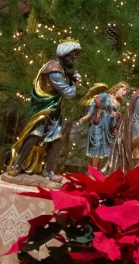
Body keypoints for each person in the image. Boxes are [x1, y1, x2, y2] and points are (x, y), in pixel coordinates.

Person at [5, 40, 82, 182]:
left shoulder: (59, 68)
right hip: (43, 110)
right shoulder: (54, 71)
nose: (75, 59)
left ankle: (49, 171)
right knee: (35, 135)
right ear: (65, 55)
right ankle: (17, 165)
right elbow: (69, 94)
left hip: (53, 111)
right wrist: (74, 83)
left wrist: (69, 78)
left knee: (55, 139)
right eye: (74, 56)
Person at [78, 82, 129, 170]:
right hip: (98, 123)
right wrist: (88, 115)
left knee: (102, 147)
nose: (125, 93)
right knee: (96, 145)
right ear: (118, 88)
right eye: (124, 90)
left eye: (126, 92)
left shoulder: (117, 104)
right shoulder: (105, 95)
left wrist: (114, 116)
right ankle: (93, 168)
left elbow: (116, 118)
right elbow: (94, 105)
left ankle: (95, 168)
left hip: (107, 127)